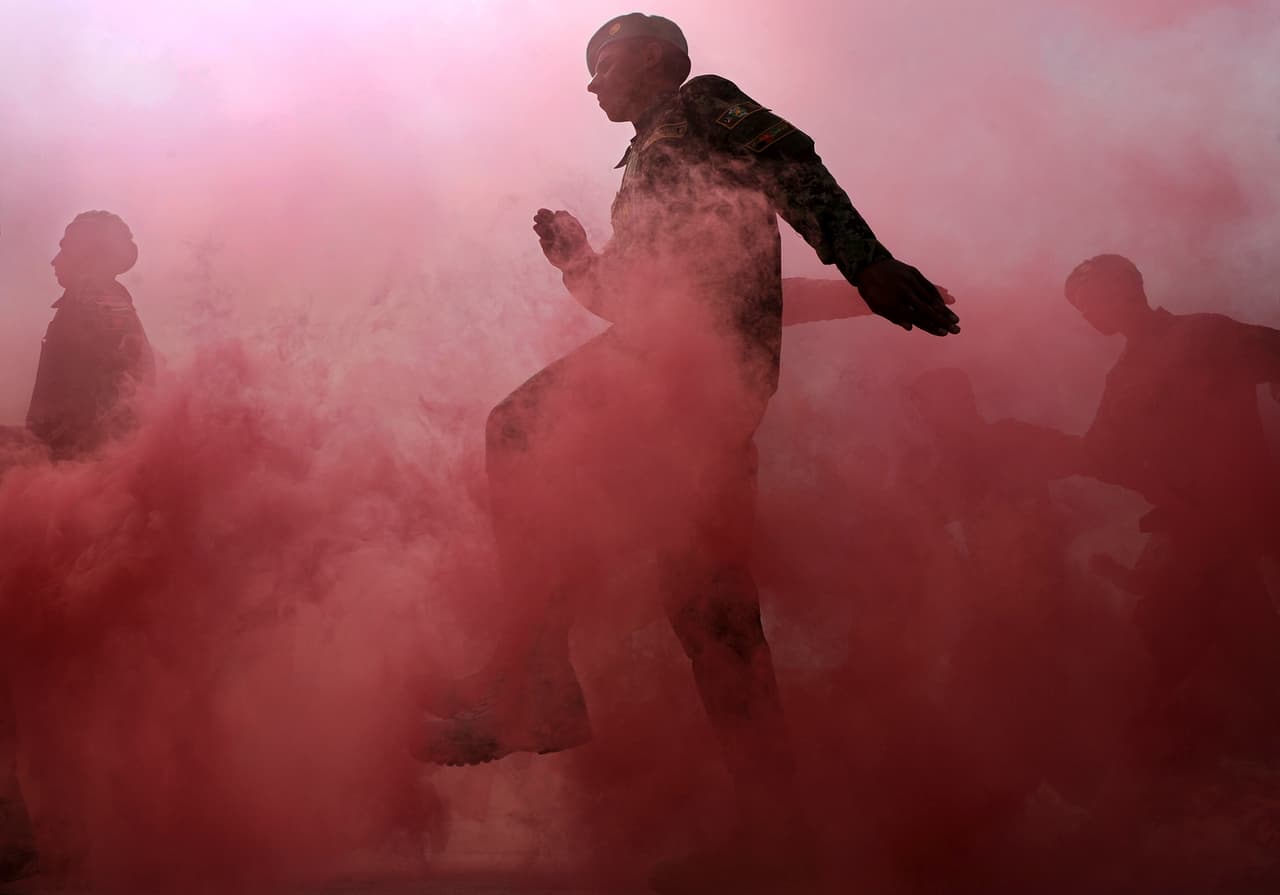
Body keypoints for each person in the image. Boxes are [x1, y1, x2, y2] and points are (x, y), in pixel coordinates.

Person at [419, 13, 958, 888]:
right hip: (690, 370)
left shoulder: (702, 106)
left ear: (661, 60)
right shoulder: (641, 172)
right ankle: (778, 835)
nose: (592, 82)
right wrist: (579, 264)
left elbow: (795, 168)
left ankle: (539, 687)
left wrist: (868, 266)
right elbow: (637, 301)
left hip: (698, 366)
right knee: (711, 611)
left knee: (516, 428)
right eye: (588, 69)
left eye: (606, 61)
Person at [1067, 254, 1280, 765]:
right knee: (1227, 642)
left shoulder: (1200, 337)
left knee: (1222, 643)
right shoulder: (1130, 374)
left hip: (1240, 514)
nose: (1084, 315)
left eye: (1086, 302)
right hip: (1208, 530)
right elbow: (1102, 456)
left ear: (1122, 292)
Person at [25, 211, 154, 461]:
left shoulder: (95, 304)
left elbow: (120, 396)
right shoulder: (85, 302)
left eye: (66, 250)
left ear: (86, 257)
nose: (55, 261)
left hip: (78, 459)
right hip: (67, 454)